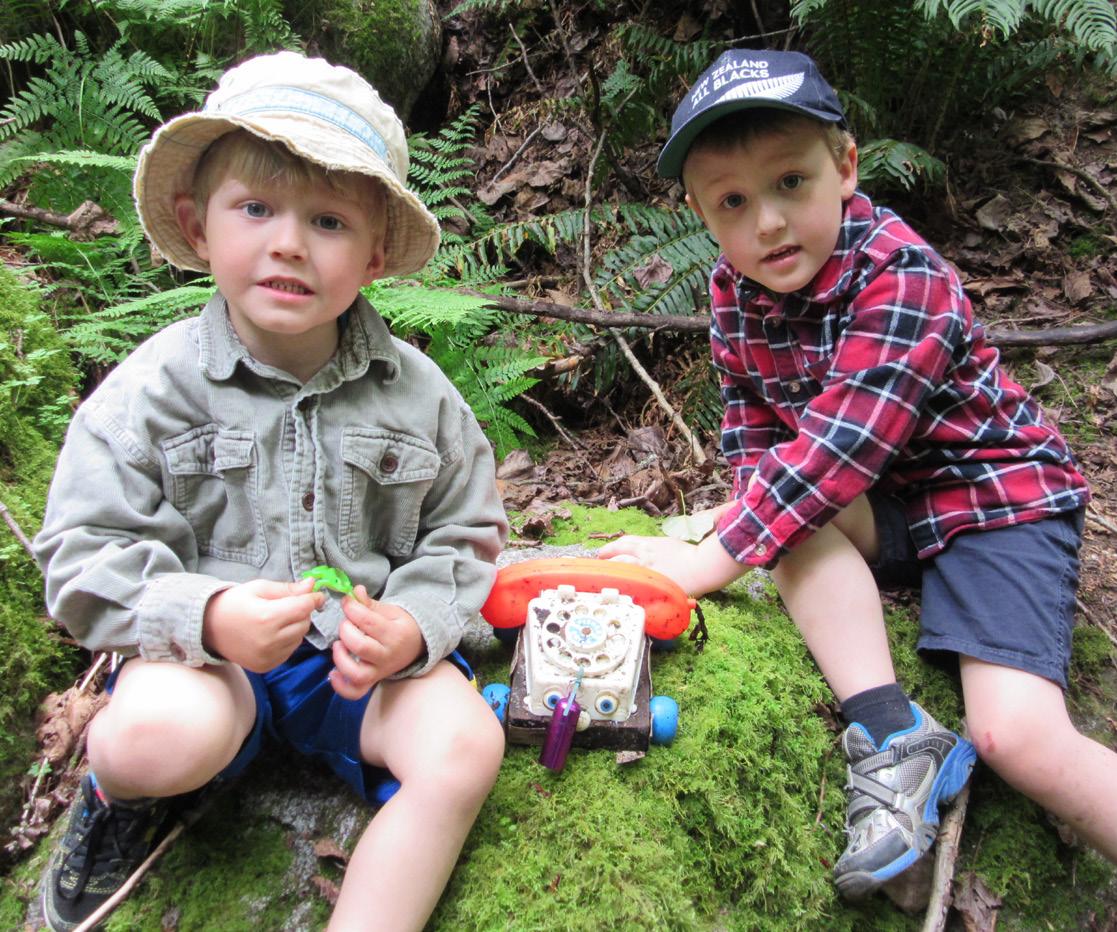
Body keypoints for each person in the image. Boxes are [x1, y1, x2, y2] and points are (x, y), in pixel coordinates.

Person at [600, 48, 1116, 897]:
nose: (768, 222)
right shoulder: (734, 292)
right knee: (774, 516)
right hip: (885, 505)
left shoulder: (900, 275)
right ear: (700, 215)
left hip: (994, 500)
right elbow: (756, 437)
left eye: (789, 182)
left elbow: (836, 451)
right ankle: (892, 733)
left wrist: (705, 561)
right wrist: (743, 523)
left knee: (1017, 737)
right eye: (733, 202)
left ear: (843, 167)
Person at [34, 51, 508, 932]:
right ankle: (116, 800)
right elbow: (81, 553)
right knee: (150, 738)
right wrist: (208, 616)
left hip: (354, 667)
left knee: (467, 746)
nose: (288, 242)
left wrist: (412, 626)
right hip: (205, 668)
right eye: (255, 209)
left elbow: (465, 526)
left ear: (373, 254)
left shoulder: (419, 398)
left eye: (327, 220)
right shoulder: (151, 392)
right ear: (197, 225)